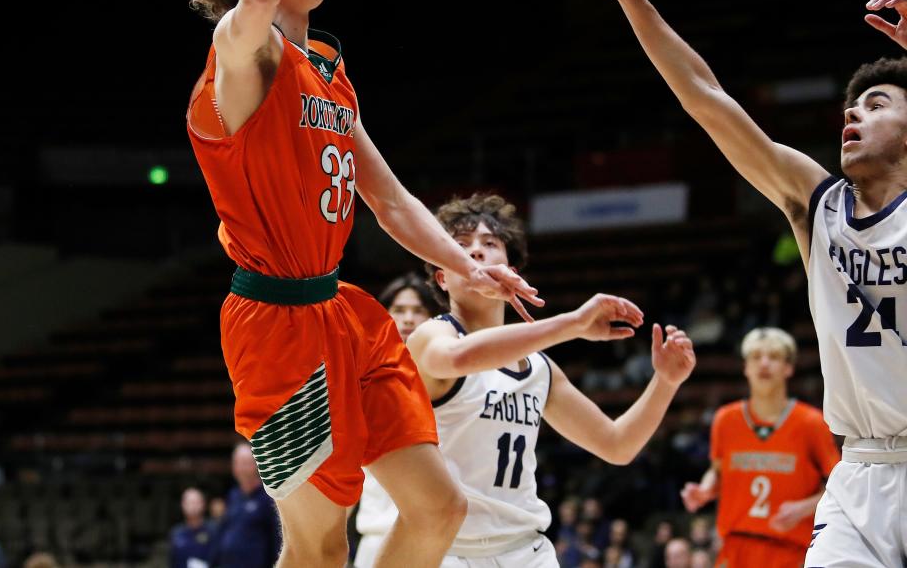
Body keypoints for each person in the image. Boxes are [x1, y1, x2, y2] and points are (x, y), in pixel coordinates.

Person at [188, 0, 542, 567]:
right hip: (275, 325)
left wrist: (467, 269)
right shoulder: (238, 60)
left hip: (345, 314)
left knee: (437, 509)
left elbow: (388, 198)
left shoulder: (330, 72)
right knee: (318, 547)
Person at [596, 0, 907, 567]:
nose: (852, 116)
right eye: (851, 107)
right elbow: (707, 98)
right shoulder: (818, 203)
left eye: (877, 103)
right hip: (858, 477)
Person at [404, 193, 696, 566]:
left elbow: (617, 444)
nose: (476, 253)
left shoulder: (539, 369)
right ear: (443, 277)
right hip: (450, 552)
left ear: (512, 271)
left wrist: (665, 383)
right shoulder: (432, 336)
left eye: (490, 244)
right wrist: (573, 323)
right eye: (460, 246)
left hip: (527, 552)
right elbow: (458, 358)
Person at [680, 328, 839, 567]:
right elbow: (718, 471)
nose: (764, 363)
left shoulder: (811, 422)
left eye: (773, 356)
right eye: (755, 357)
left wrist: (803, 508)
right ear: (745, 367)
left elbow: (839, 488)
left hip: (791, 551)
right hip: (734, 548)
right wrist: (704, 489)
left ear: (788, 368)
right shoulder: (725, 419)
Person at [353, 275, 444, 567]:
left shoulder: (451, 377)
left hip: (441, 537)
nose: (408, 319)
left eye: (418, 311)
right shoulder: (361, 378)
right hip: (377, 539)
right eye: (399, 309)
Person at [210, 444, 281, 568]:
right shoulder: (233, 495)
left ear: (256, 465)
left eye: (245, 463)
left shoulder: (268, 498)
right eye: (237, 463)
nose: (241, 468)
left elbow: (276, 540)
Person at [169, 487, 216, 568]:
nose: (192, 506)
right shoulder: (176, 533)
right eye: (189, 502)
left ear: (203, 504)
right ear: (182, 505)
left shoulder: (213, 531)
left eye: (196, 502)